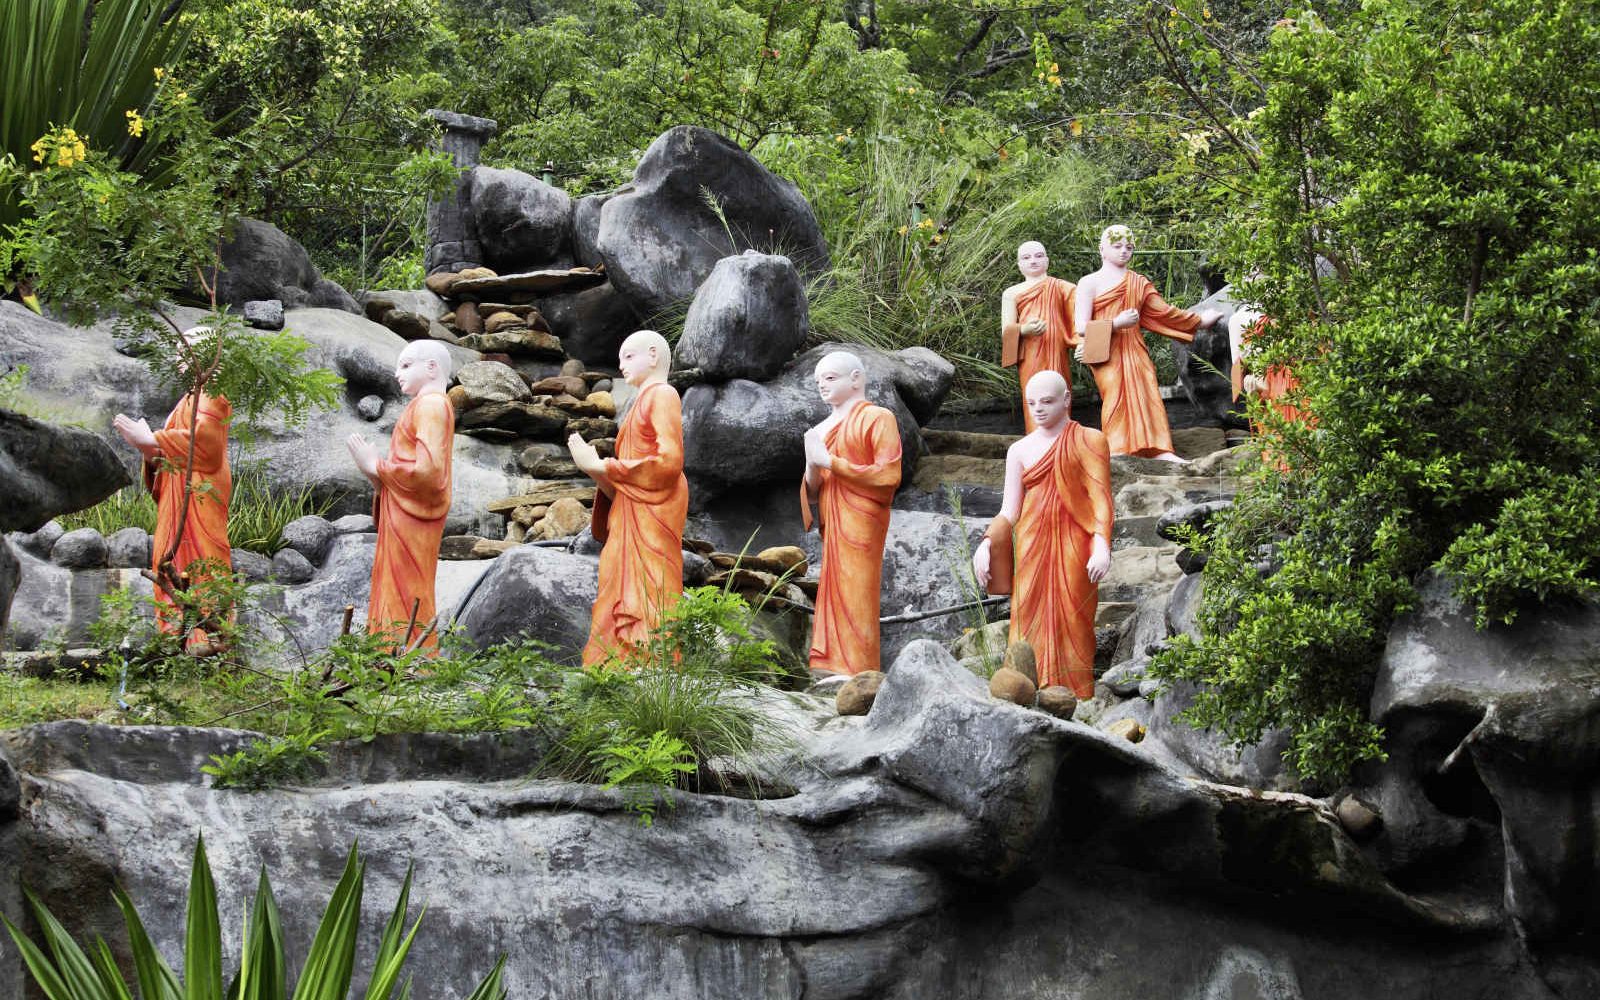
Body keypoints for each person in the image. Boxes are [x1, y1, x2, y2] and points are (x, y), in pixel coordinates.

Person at [972, 370, 1112, 698]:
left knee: (1075, 615)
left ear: (1067, 400)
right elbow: (1009, 510)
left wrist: (1102, 542)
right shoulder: (1019, 450)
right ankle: (1023, 687)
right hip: (1032, 542)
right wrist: (988, 542)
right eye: (1031, 402)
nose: (1038, 409)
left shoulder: (1090, 440)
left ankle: (1076, 694)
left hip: (1075, 542)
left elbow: (1100, 498)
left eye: (1047, 401)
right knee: (1027, 611)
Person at [568, 330, 689, 666]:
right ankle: (613, 664)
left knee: (651, 586)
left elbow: (669, 462)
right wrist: (594, 469)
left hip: (655, 508)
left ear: (653, 355)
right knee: (614, 584)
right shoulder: (641, 402)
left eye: (628, 356)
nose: (620, 365)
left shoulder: (662, 395)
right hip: (630, 509)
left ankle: (651, 665)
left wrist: (604, 464)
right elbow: (623, 482)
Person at [113, 328, 233, 653]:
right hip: (177, 492)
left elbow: (208, 447)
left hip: (201, 490)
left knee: (203, 560)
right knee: (169, 556)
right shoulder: (190, 398)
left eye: (188, 350)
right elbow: (172, 453)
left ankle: (209, 637)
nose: (181, 358)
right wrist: (151, 452)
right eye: (181, 351)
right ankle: (176, 639)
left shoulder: (213, 394)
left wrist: (153, 440)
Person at [1074, 225, 1223, 462]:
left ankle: (1160, 449)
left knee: (1147, 393)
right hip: (1107, 352)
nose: (1124, 251)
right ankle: (1117, 449)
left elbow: (1164, 313)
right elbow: (1080, 326)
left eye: (1129, 247)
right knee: (1115, 397)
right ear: (1102, 249)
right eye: (1117, 246)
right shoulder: (1089, 283)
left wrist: (1200, 321)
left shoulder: (1138, 282)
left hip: (1135, 348)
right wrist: (1116, 323)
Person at [348, 340, 456, 652]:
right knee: (395, 583)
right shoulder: (424, 404)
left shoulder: (432, 405)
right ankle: (389, 655)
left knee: (407, 585)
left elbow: (429, 473)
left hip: (414, 514)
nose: (397, 373)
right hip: (402, 510)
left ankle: (408, 659)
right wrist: (376, 476)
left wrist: (377, 466)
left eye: (406, 365)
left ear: (432, 367)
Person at [800, 351, 902, 676]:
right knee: (833, 587)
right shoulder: (819, 430)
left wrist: (831, 462)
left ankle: (859, 667)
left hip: (862, 519)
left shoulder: (878, 417)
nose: (822, 386)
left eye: (830, 378)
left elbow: (888, 475)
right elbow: (813, 490)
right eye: (818, 381)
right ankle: (829, 664)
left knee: (857, 587)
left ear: (856, 379)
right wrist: (814, 465)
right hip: (833, 518)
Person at [1000, 241, 1078, 432]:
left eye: (1038, 256)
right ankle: (1036, 439)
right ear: (1019, 264)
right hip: (1031, 355)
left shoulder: (1064, 288)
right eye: (1026, 258)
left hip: (1056, 351)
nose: (1033, 261)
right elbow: (1006, 330)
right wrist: (1025, 329)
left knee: (1059, 392)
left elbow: (1078, 322)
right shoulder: (1011, 293)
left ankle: (1064, 441)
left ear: (1047, 260)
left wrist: (1083, 343)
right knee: (1035, 395)